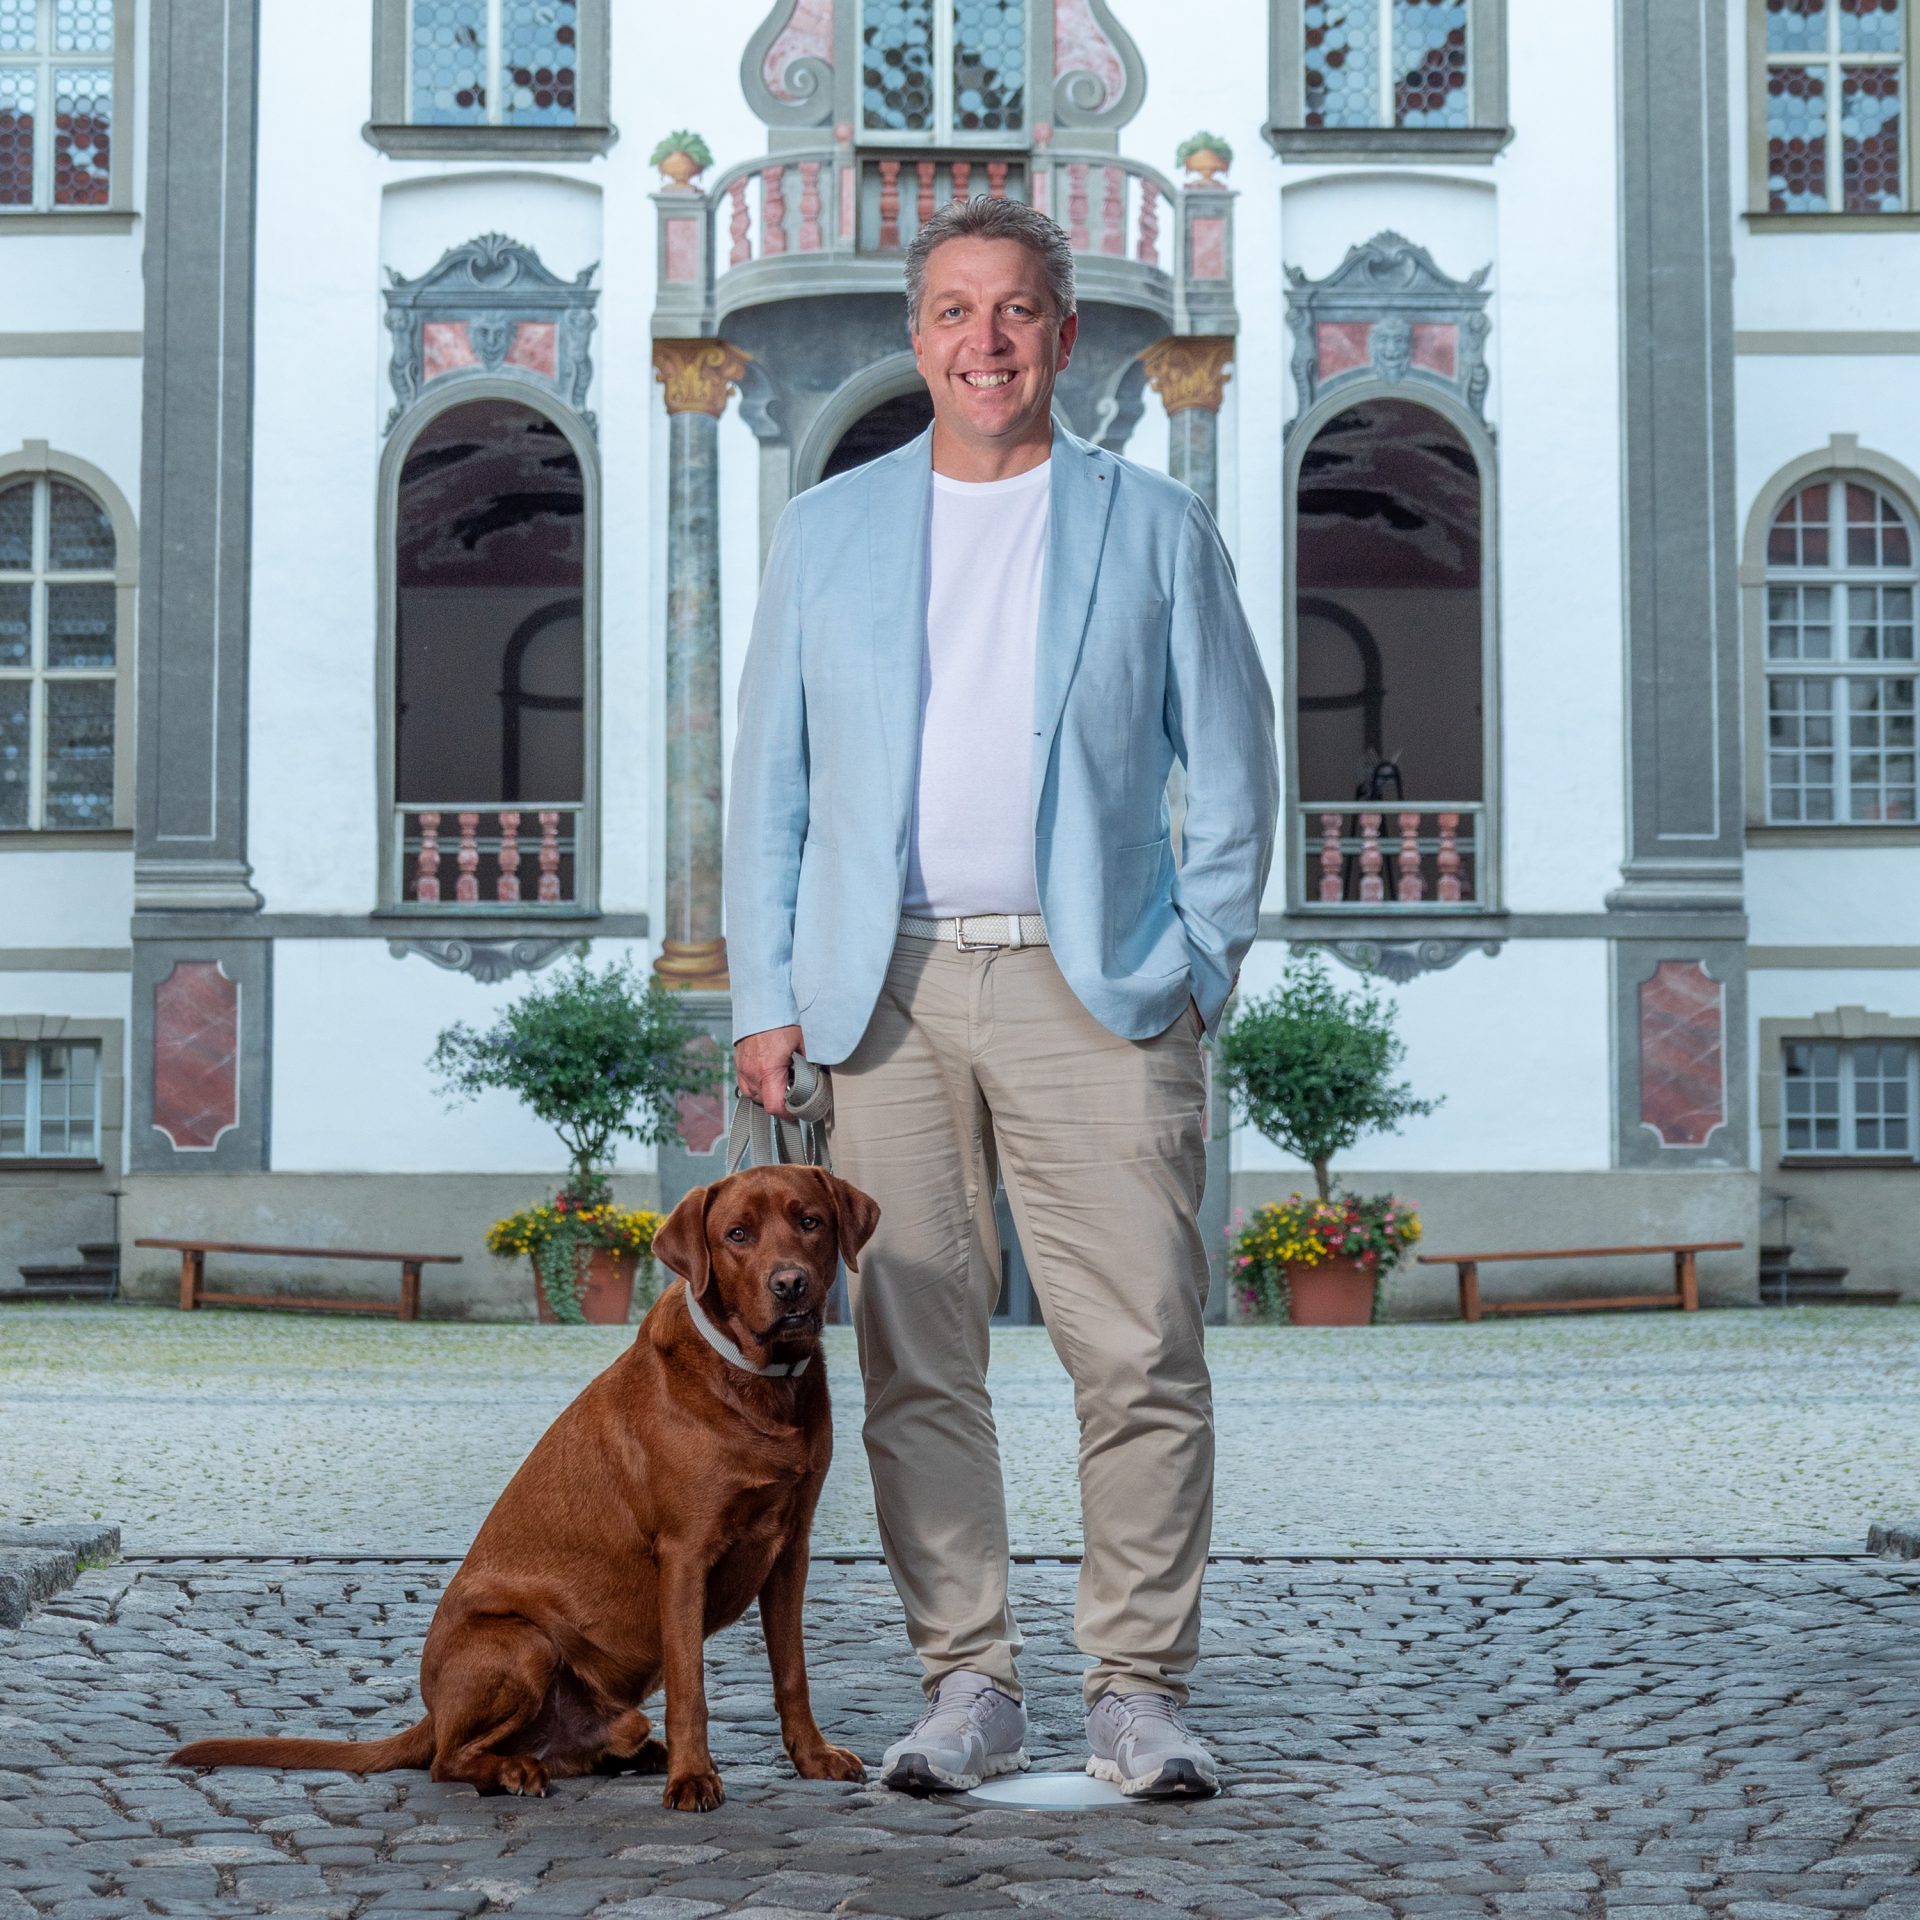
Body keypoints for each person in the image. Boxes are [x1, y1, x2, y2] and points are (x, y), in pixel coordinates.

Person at [724, 196, 1278, 1800]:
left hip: (1091, 987)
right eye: (956, 313)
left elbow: (1235, 779)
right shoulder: (827, 531)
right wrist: (770, 989)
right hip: (879, 992)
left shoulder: (1156, 529)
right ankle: (968, 1681)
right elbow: (770, 783)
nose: (986, 343)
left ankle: (1136, 1687)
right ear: (919, 339)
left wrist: (1196, 970)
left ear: (1063, 336)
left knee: (1145, 1347)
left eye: (1017, 312)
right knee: (915, 1356)